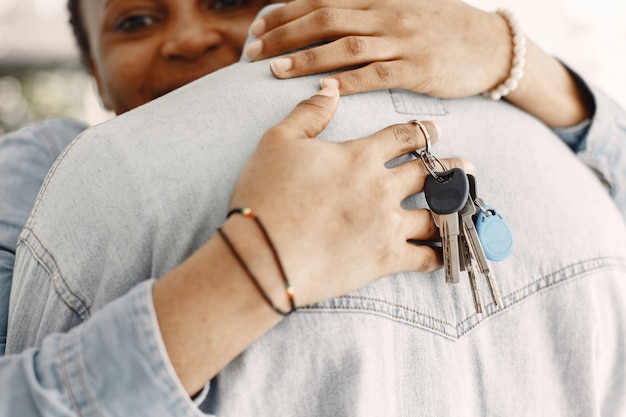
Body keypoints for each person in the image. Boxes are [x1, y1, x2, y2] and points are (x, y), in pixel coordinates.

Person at [5, 3, 626, 416]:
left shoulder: (486, 115)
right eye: (135, 19)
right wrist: (260, 264)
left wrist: (511, 54)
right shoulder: (56, 173)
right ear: (92, 67)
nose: (190, 36)